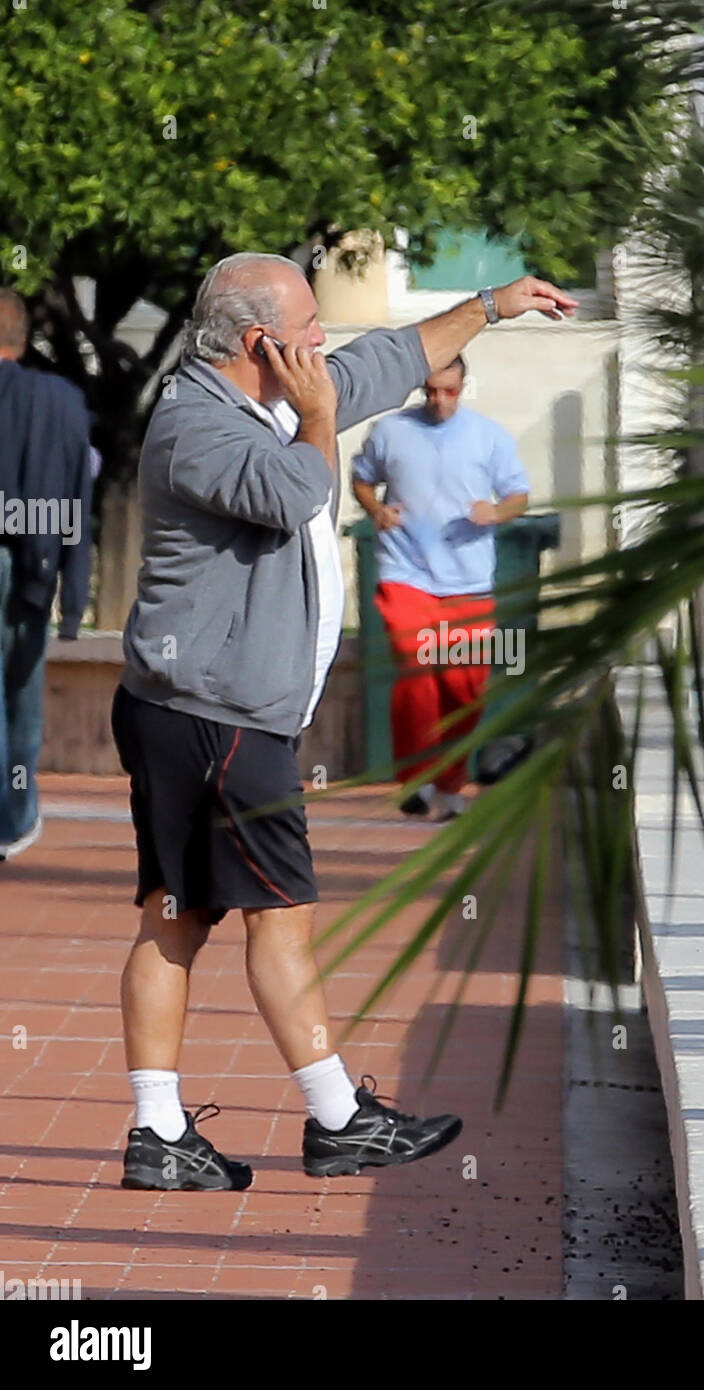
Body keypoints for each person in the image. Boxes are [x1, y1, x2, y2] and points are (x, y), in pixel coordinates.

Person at [112, 253, 577, 1189]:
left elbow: (393, 357)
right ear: (259, 345)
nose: (326, 343)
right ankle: (332, 1120)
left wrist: (492, 304)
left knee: (182, 916)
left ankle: (164, 1135)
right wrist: (320, 417)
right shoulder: (196, 425)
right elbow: (298, 496)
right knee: (266, 918)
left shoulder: (272, 393)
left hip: (213, 713)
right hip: (215, 717)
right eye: (311, 329)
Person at [352, 356, 529, 818]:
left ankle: (451, 783)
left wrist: (497, 512)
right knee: (415, 671)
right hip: (405, 573)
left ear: (463, 386)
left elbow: (518, 495)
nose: (439, 400)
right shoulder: (390, 431)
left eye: (449, 391)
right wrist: (376, 510)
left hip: (468, 582)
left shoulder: (488, 436)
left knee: (462, 688)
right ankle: (416, 781)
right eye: (431, 390)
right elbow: (362, 479)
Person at [0, 288, 93, 862]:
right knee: (20, 698)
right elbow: (76, 495)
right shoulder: (60, 399)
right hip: (34, 561)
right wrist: (74, 595)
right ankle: (14, 817)